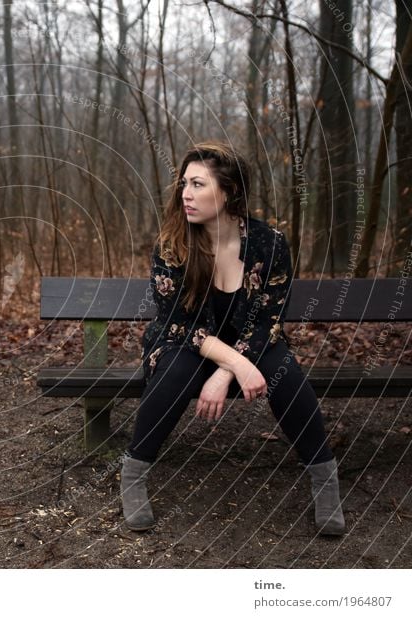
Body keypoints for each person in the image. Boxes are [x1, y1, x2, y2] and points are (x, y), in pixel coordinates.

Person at [120, 142, 346, 536]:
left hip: (252, 342)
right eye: (183, 183)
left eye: (198, 184)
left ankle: (325, 482)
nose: (185, 194)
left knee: (284, 373)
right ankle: (134, 474)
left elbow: (268, 320)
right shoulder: (172, 245)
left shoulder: (270, 243)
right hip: (185, 343)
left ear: (229, 192)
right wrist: (239, 365)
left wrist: (227, 370)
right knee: (174, 370)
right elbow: (179, 325)